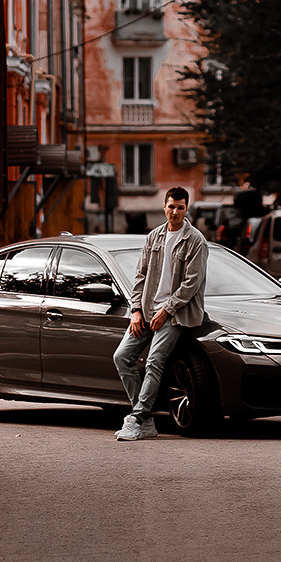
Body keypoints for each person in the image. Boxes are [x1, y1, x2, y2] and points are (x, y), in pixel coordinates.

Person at [112, 186, 209, 441]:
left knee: (155, 361)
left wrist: (166, 310)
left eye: (180, 207)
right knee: (122, 357)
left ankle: (135, 419)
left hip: (176, 314)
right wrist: (135, 310)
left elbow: (192, 283)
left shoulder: (196, 240)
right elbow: (140, 275)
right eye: (171, 206)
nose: (175, 212)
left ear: (186, 209)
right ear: (163, 207)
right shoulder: (154, 236)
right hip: (145, 311)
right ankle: (145, 420)